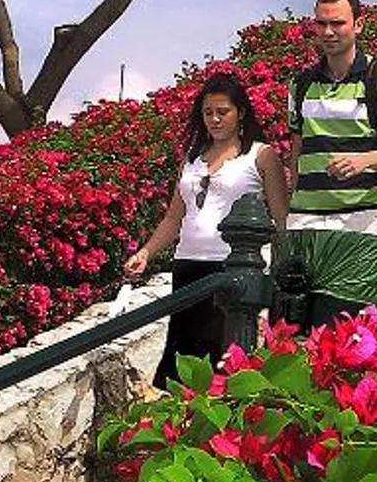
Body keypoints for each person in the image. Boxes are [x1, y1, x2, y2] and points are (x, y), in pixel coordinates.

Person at [119, 70, 289, 382]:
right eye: (208, 112)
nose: (215, 119)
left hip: (232, 267)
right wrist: (146, 252)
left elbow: (281, 218)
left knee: (221, 361)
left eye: (223, 112)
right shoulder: (192, 159)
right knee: (182, 357)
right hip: (187, 264)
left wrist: (281, 267)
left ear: (240, 113)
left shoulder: (260, 155)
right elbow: (174, 217)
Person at [280, 0, 377, 325]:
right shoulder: (301, 85)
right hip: (306, 221)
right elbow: (297, 148)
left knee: (354, 327)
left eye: (337, 23)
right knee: (298, 326)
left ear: (358, 26)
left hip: (363, 220)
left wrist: (362, 161)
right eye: (321, 24)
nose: (328, 32)